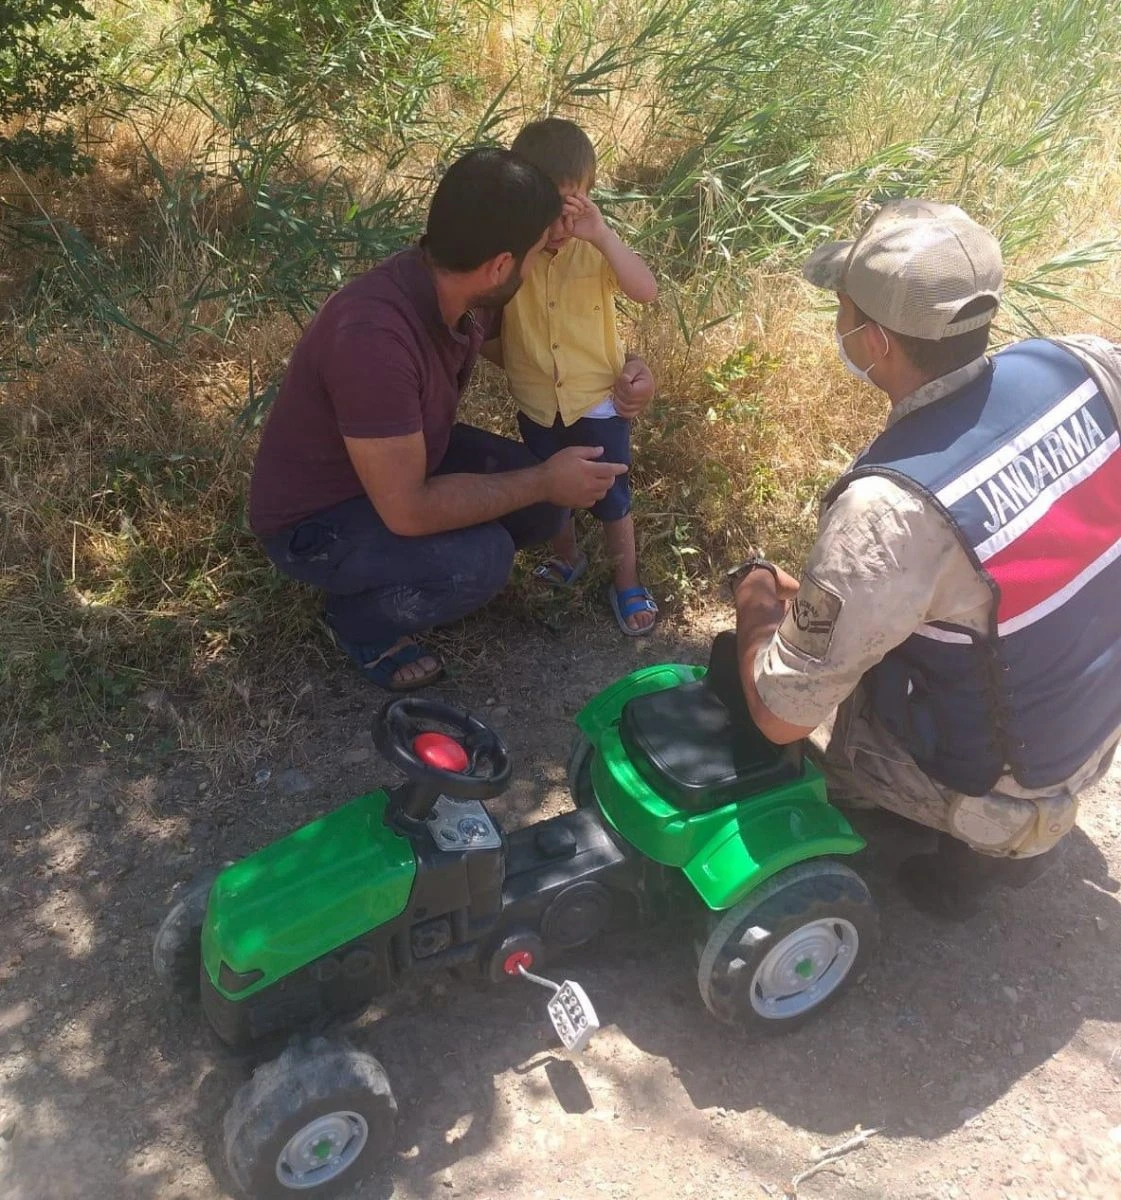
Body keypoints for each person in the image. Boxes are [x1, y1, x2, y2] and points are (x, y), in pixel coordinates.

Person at [726, 198, 1121, 919]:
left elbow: (780, 715)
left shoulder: (890, 510)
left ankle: (979, 850)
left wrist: (755, 593)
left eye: (841, 308)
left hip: (1011, 783)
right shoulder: (1083, 363)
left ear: (873, 341)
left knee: (784, 687)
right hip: (1097, 718)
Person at [249, 148, 654, 690]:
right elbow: (409, 510)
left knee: (541, 512)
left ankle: (427, 562)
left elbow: (534, 349)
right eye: (535, 255)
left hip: (410, 461)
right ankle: (359, 624)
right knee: (481, 560)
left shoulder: (459, 287)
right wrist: (540, 480)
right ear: (501, 266)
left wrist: (625, 371)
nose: (537, 267)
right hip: (319, 520)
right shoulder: (374, 341)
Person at [485, 118, 660, 635]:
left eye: (570, 208)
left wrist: (601, 234)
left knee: (612, 495)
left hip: (597, 401)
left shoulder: (596, 247)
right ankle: (568, 557)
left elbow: (645, 291)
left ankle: (626, 577)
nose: (560, 225)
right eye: (546, 209)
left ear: (587, 198)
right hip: (537, 401)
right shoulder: (513, 256)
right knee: (551, 487)